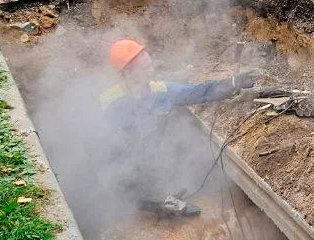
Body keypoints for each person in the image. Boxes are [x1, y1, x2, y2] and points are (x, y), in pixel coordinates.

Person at [98, 39, 258, 216]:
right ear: (128, 71)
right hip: (130, 171)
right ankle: (149, 200)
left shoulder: (157, 89)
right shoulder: (111, 101)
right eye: (145, 66)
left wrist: (234, 83)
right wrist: (153, 199)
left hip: (154, 159)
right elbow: (118, 153)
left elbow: (197, 92)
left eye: (148, 61)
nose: (151, 67)